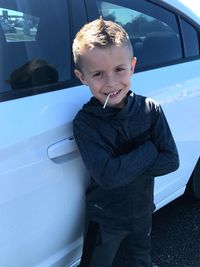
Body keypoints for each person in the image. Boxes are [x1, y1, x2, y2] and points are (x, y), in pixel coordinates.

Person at [72, 17, 179, 267]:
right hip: (104, 217)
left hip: (142, 212)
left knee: (141, 260)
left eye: (119, 69)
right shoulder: (86, 122)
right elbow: (107, 177)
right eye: (98, 74)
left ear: (132, 66)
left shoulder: (150, 109)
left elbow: (171, 161)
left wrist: (122, 166)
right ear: (82, 77)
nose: (110, 82)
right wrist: (149, 148)